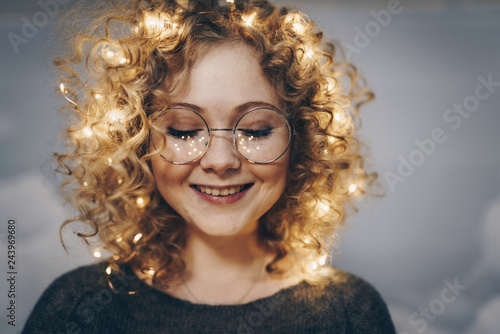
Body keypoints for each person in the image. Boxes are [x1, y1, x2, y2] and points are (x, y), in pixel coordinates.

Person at [23, 0, 396, 333]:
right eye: (184, 132)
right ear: (139, 143)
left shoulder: (350, 313)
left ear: (300, 142)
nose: (221, 161)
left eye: (256, 130)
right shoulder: (75, 308)